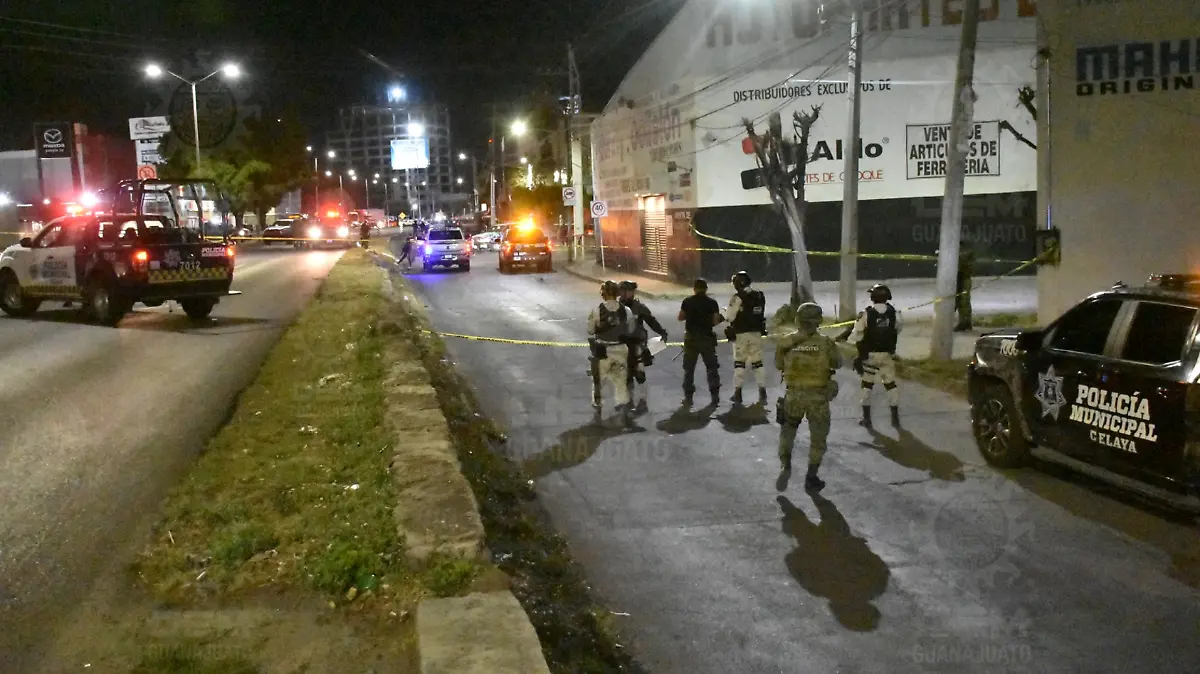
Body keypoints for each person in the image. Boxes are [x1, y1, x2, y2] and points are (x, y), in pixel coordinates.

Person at [775, 302, 842, 491]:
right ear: (818, 321)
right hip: (818, 397)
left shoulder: (785, 341)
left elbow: (779, 365)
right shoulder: (826, 342)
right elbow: (837, 363)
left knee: (788, 432)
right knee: (818, 439)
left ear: (798, 320)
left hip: (793, 395)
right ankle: (811, 476)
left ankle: (785, 465)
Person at [839, 283, 902, 427]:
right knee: (890, 385)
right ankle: (895, 418)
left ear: (873, 297)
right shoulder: (895, 313)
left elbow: (857, 334)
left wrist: (857, 351)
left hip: (869, 356)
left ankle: (866, 418)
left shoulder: (866, 314)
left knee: (867, 385)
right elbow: (897, 329)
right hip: (887, 355)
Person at [618, 280, 668, 414]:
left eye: (628, 291)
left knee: (639, 373)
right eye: (622, 291)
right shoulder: (616, 307)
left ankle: (643, 402)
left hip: (637, 344)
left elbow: (651, 321)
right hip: (622, 345)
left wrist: (662, 332)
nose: (625, 294)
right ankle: (628, 400)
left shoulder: (639, 307)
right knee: (625, 374)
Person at [587, 281, 632, 422]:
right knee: (620, 379)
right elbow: (630, 329)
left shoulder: (596, 310)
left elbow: (590, 330)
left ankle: (598, 402)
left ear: (603, 293)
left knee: (599, 379)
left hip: (603, 350)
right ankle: (621, 403)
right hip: (621, 349)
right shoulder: (626, 310)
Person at [724, 270, 769, 405]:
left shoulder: (737, 298)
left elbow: (729, 317)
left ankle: (738, 393)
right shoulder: (759, 295)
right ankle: (762, 391)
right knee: (758, 363)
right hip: (756, 334)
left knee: (740, 363)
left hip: (741, 335)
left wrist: (725, 312)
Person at [677, 279, 723, 407]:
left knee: (689, 369)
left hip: (691, 338)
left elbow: (680, 317)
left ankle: (688, 397)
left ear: (694, 289)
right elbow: (715, 321)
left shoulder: (687, 301)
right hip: (706, 338)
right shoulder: (712, 303)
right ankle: (714, 396)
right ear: (706, 289)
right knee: (712, 367)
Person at [955, 248, 975, 331]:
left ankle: (965, 322)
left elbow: (967, 260)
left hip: (964, 277)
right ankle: (964, 322)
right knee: (960, 300)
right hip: (958, 278)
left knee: (964, 301)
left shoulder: (966, 251)